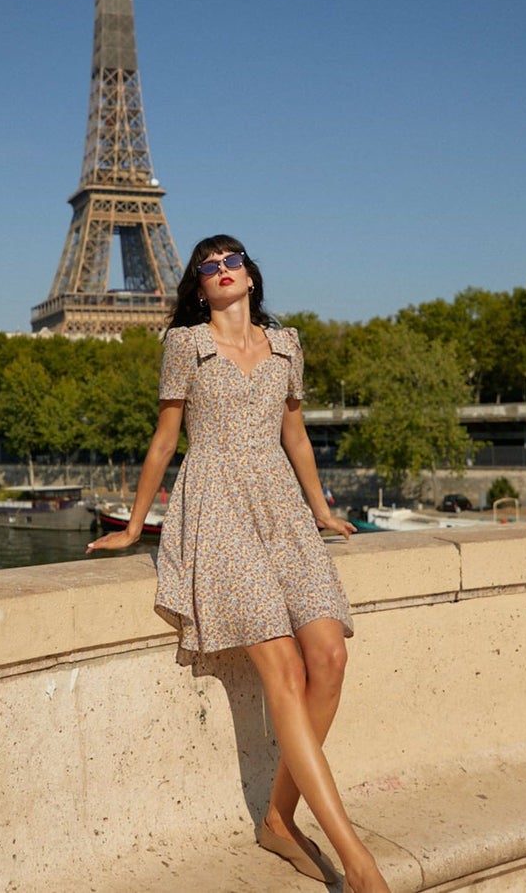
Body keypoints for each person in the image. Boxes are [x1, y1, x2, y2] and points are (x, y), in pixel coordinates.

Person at [87, 235, 391, 893]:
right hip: (217, 505)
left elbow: (296, 434)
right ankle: (358, 862)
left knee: (330, 656)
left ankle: (278, 820)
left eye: (232, 261)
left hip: (281, 505)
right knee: (283, 667)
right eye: (209, 265)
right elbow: (166, 437)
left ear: (250, 276)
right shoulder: (185, 345)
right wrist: (135, 525)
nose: (222, 271)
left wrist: (321, 508)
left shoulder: (287, 345)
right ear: (199, 286)